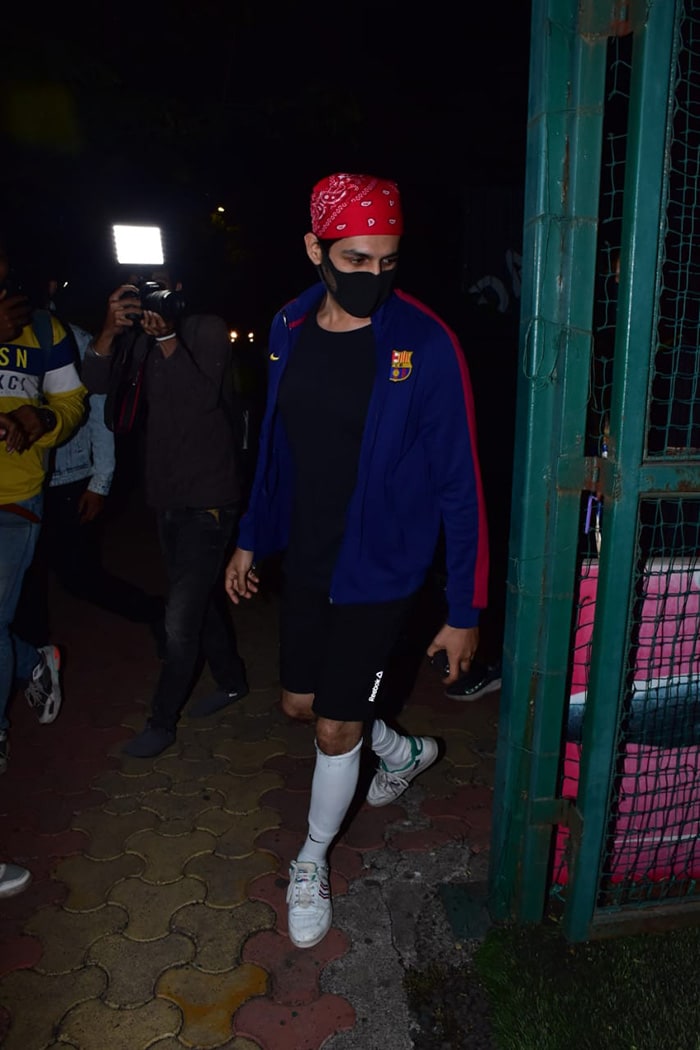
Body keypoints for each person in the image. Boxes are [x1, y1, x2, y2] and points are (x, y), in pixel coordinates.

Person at [225, 173, 489, 949]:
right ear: (316, 249)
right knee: (301, 707)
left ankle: (309, 861)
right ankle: (402, 748)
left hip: (383, 570)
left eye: (388, 261)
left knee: (335, 728)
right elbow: (274, 448)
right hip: (309, 557)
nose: (373, 276)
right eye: (355, 259)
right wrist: (250, 535)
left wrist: (463, 609)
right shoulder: (285, 326)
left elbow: (460, 483)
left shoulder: (426, 344)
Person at [80, 266, 248, 757]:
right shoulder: (133, 338)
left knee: (179, 619)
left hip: (210, 498)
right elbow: (95, 383)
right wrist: (111, 329)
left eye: (161, 284)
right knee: (195, 600)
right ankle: (233, 681)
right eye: (141, 286)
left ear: (181, 287)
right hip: (167, 495)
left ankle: (161, 721)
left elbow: (200, 401)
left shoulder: (206, 328)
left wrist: (169, 337)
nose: (152, 295)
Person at [0, 235, 86, 781]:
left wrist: (43, 422)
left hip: (16, 493)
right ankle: (33, 660)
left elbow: (71, 403)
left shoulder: (45, 331)